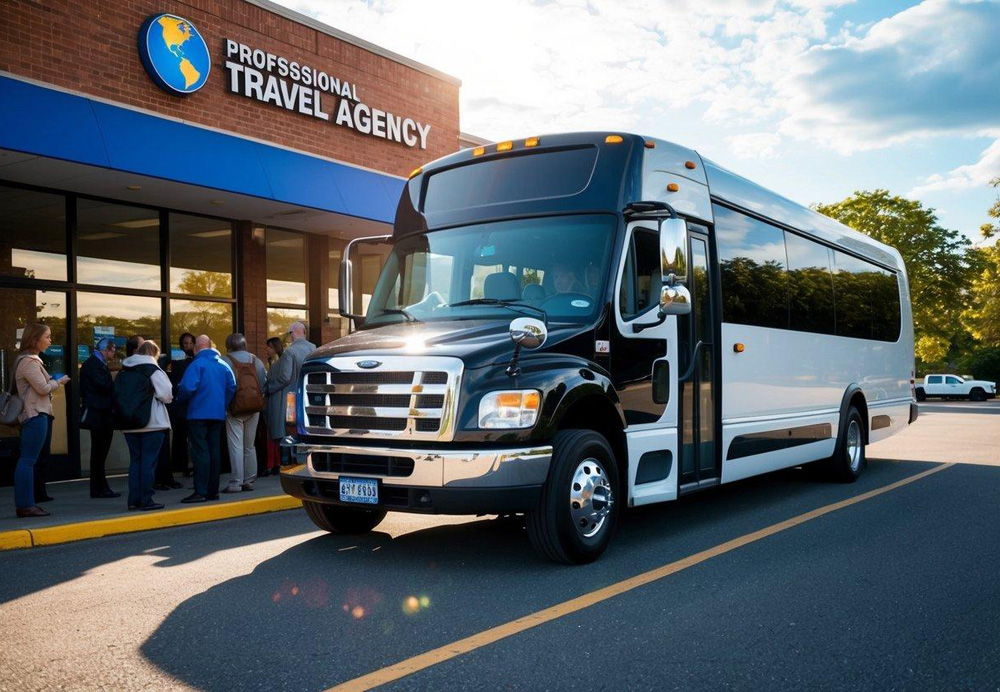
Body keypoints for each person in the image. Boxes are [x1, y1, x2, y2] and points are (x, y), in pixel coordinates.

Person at [12, 323, 69, 518]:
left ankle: (27, 503)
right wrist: (58, 381)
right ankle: (25, 505)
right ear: (35, 339)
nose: (50, 340)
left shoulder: (31, 360)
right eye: (47, 336)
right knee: (28, 460)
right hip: (35, 414)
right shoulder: (29, 362)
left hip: (36, 414)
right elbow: (43, 388)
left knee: (29, 460)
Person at [177, 335, 236, 503]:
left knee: (200, 452)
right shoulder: (223, 365)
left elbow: (187, 388)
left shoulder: (197, 364)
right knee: (214, 451)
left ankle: (201, 491)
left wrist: (179, 398)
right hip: (217, 414)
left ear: (196, 347)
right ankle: (213, 491)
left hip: (198, 413)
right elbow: (232, 387)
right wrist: (222, 404)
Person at [118, 341, 172, 511]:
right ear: (154, 354)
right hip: (152, 423)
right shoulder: (153, 370)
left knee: (136, 461)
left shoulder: (125, 369)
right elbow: (167, 395)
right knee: (148, 462)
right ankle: (146, 499)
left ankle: (133, 500)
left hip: (129, 423)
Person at [264, 323, 315, 476]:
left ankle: (287, 464)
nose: (289, 337)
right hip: (310, 396)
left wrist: (269, 388)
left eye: (289, 333)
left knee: (288, 432)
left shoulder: (290, 352)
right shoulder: (315, 348)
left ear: (294, 333)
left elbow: (285, 377)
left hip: (291, 398)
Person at [222, 333, 267, 493]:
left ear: (229, 345)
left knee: (235, 445)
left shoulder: (226, 360)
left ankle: (236, 482)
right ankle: (249, 480)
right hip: (254, 408)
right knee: (249, 445)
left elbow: (224, 386)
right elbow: (263, 383)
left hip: (234, 408)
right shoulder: (257, 361)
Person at [79, 337, 121, 499]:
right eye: (112, 350)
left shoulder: (95, 364)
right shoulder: (93, 365)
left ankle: (100, 487)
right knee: (99, 453)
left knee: (100, 453)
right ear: (106, 349)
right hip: (99, 414)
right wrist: (115, 377)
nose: (114, 353)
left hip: (101, 413)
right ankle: (98, 488)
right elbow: (103, 386)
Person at [168, 332, 196, 477]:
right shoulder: (176, 360)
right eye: (185, 343)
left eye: (190, 343)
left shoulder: (196, 361)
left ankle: (190, 466)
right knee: (179, 436)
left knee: (191, 437)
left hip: (191, 404)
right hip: (178, 404)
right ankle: (179, 465)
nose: (188, 346)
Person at [262, 336, 284, 475]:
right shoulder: (271, 362)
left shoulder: (279, 363)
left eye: (269, 347)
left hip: (276, 402)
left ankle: (275, 463)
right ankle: (273, 463)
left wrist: (268, 388)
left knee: (275, 435)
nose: (267, 350)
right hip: (272, 402)